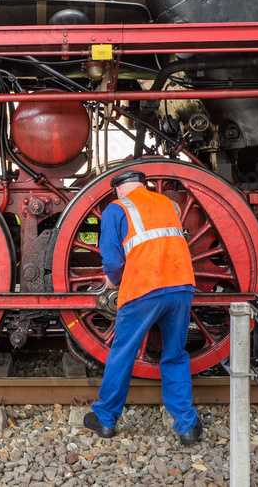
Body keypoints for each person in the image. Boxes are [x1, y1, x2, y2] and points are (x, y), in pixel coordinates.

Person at [83, 168, 202, 445]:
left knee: (122, 353)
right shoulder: (168, 204)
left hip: (144, 290)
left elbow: (112, 261)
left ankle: (105, 420)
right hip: (182, 287)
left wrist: (112, 281)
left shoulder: (117, 208)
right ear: (144, 186)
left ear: (118, 189)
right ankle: (186, 426)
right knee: (175, 354)